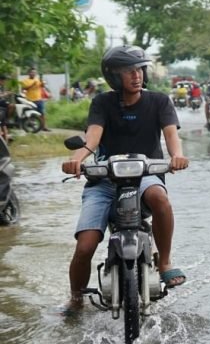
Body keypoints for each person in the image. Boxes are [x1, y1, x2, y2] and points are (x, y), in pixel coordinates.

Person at [59, 45, 190, 314]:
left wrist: (177, 156)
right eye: (129, 71)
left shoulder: (159, 101)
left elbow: (171, 137)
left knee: (160, 199)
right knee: (85, 246)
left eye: (140, 69)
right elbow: (92, 139)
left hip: (145, 174)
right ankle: (75, 298)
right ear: (114, 76)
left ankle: (164, 262)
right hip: (105, 180)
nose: (136, 76)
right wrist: (78, 159)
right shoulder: (102, 102)